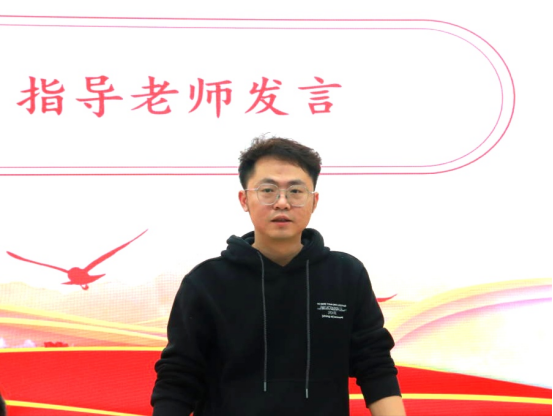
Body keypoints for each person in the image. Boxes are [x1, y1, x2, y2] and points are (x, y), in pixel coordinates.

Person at [151, 137, 405, 416]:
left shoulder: (346, 275)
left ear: (314, 201)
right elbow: (179, 378)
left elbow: (374, 364)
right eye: (268, 190)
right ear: (244, 199)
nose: (282, 203)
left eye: (296, 191)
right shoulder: (206, 282)